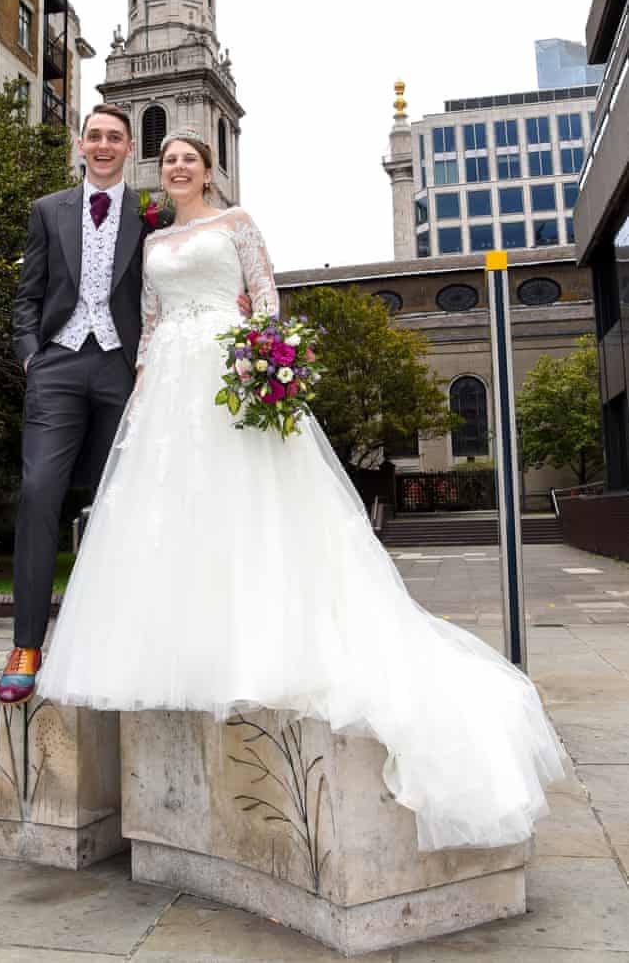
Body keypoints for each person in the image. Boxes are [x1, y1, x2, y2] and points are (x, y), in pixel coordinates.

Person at [37, 128, 567, 853]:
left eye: (190, 159)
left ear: (210, 169)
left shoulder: (237, 224)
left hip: (230, 370)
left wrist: (265, 364)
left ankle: (260, 646)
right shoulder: (154, 242)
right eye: (169, 162)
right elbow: (152, 322)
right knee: (173, 518)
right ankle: (184, 649)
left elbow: (264, 296)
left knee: (253, 506)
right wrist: (140, 387)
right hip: (168, 389)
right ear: (158, 174)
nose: (180, 168)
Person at [0, 106, 248, 704]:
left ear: (130, 145)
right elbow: (27, 294)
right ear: (81, 144)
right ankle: (26, 644)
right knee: (39, 494)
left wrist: (232, 309)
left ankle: (132, 642)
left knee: (134, 498)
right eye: (96, 137)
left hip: (126, 369)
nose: (105, 145)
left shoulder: (153, 212)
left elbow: (185, 264)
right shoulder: (47, 210)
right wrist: (32, 355)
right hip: (57, 366)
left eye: (116, 137)